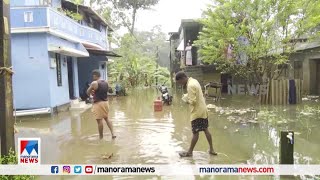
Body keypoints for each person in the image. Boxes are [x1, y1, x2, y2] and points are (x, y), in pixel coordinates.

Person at [175, 71, 217, 157]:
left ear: (183, 78)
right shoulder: (194, 81)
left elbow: (193, 102)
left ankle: (190, 152)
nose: (180, 84)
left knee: (195, 132)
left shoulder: (190, 86)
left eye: (179, 82)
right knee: (205, 129)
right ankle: (211, 149)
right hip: (203, 110)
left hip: (197, 112)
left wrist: (186, 99)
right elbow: (196, 95)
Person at [87, 70, 116, 140]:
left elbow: (88, 92)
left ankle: (101, 137)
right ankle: (113, 134)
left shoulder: (94, 83)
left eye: (93, 76)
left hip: (98, 104)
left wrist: (91, 94)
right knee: (107, 118)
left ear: (95, 75)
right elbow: (108, 91)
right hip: (106, 103)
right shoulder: (106, 82)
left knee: (99, 121)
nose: (92, 77)